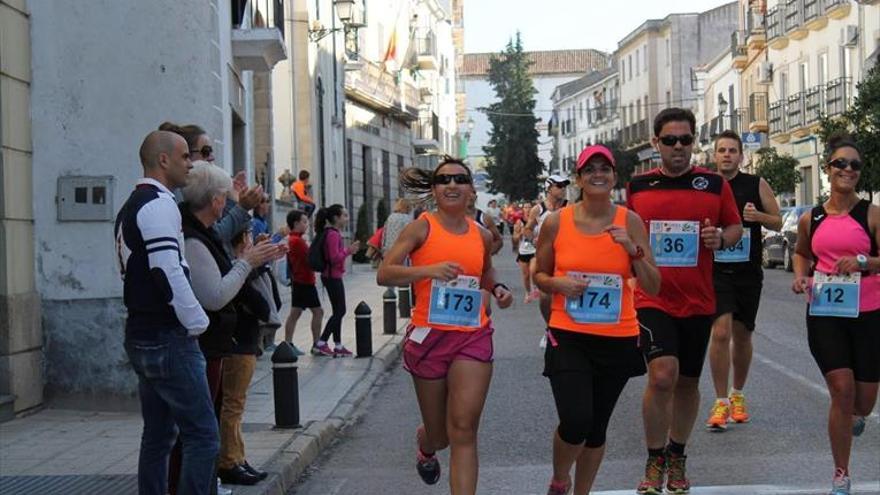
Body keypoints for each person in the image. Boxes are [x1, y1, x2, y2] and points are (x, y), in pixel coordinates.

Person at [377, 157, 513, 495]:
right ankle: (426, 442)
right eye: (443, 180)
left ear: (471, 190)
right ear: (435, 190)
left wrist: (496, 289)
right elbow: (385, 273)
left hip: (472, 336)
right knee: (441, 436)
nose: (451, 185)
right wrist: (427, 270)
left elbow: (484, 271)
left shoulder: (481, 235)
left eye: (459, 179)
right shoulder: (421, 227)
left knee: (464, 429)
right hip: (429, 338)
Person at [627, 108, 742, 495]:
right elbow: (626, 231)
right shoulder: (638, 187)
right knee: (662, 375)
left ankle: (677, 454)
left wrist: (721, 240)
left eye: (686, 140)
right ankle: (654, 456)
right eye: (670, 140)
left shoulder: (712, 184)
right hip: (652, 296)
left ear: (694, 142)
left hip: (697, 299)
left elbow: (734, 225)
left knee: (689, 382)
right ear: (655, 143)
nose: (679, 147)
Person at [535, 145, 661, 495]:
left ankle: (582, 492)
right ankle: (560, 480)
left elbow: (654, 284)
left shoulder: (629, 221)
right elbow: (540, 276)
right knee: (576, 421)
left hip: (618, 336)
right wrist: (557, 283)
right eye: (589, 169)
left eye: (604, 168)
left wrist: (632, 250)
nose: (598, 175)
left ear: (614, 176)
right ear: (579, 179)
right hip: (568, 333)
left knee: (597, 427)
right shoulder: (557, 222)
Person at [115, 130, 216, 495]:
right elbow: (166, 271)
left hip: (142, 334)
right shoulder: (159, 205)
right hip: (166, 336)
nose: (191, 163)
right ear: (163, 160)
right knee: (203, 435)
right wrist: (197, 322)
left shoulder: (131, 205)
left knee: (158, 436)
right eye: (186, 156)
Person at [178, 162, 285, 487]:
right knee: (205, 425)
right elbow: (217, 294)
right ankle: (221, 470)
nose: (228, 202)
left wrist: (253, 259)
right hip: (214, 340)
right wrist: (249, 261)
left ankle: (224, 467)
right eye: (226, 196)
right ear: (215, 201)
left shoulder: (205, 233)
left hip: (221, 339)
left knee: (210, 420)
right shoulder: (195, 239)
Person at [792, 134, 880, 495]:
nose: (848, 170)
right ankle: (841, 474)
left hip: (869, 312)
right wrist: (800, 276)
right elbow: (800, 253)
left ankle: (857, 416)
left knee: (863, 400)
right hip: (826, 310)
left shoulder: (872, 215)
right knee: (841, 391)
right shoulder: (810, 218)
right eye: (841, 164)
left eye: (855, 165)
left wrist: (862, 262)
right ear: (827, 169)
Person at [705, 130, 783, 432]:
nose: (726, 155)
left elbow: (777, 219)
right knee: (721, 332)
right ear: (714, 155)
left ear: (741, 155)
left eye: (732, 150)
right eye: (721, 150)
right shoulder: (706, 186)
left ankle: (737, 394)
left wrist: (758, 216)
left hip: (748, 272)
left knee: (743, 334)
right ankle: (720, 400)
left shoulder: (755, 184)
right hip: (716, 270)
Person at [312, 204, 361, 357]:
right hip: (332, 277)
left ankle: (338, 345)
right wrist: (349, 251)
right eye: (344, 215)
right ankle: (321, 342)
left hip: (332, 276)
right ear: (336, 218)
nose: (347, 218)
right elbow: (333, 258)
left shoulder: (331, 233)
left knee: (337, 311)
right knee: (340, 310)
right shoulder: (333, 235)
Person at [525, 175, 570, 320]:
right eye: (559, 186)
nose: (563, 189)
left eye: (564, 186)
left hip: (566, 254)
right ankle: (548, 326)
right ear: (548, 188)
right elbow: (528, 229)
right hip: (545, 255)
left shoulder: (570, 207)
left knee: (567, 293)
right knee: (545, 297)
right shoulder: (538, 209)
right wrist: (533, 240)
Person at [283, 210, 324, 356]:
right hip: (304, 281)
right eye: (304, 222)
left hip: (300, 281)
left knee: (295, 313)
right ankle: (316, 343)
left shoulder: (294, 239)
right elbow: (310, 259)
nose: (307, 225)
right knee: (318, 312)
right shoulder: (297, 241)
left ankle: (288, 343)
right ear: (296, 223)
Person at [513, 211, 536, 303]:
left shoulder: (537, 221)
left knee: (533, 270)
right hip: (523, 251)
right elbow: (515, 238)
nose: (528, 209)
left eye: (530, 207)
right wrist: (520, 234)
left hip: (535, 250)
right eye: (526, 207)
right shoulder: (519, 223)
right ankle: (528, 292)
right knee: (526, 275)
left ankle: (535, 287)